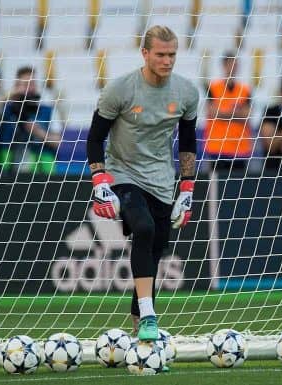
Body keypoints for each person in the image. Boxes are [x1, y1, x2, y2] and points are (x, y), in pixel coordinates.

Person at [86, 25, 199, 345]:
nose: (167, 61)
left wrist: (187, 189)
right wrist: (100, 181)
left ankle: (139, 322)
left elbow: (188, 142)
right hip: (124, 173)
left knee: (155, 250)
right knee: (144, 229)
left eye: (172, 54)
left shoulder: (187, 92)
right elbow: (95, 138)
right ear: (145, 53)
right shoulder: (120, 89)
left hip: (162, 180)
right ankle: (150, 316)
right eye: (161, 54)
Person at [0, 66, 61, 174]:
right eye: (26, 85)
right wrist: (7, 96)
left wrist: (38, 132)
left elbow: (58, 142)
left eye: (33, 84)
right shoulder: (8, 109)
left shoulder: (48, 110)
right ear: (17, 87)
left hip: (43, 172)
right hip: (9, 170)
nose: (30, 88)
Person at [203, 52, 253, 173]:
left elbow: (247, 116)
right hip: (217, 147)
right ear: (224, 65)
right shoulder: (213, 88)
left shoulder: (245, 90)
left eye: (235, 64)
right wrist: (236, 113)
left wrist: (223, 113)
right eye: (230, 64)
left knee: (237, 187)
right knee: (216, 187)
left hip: (239, 147)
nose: (233, 67)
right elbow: (212, 112)